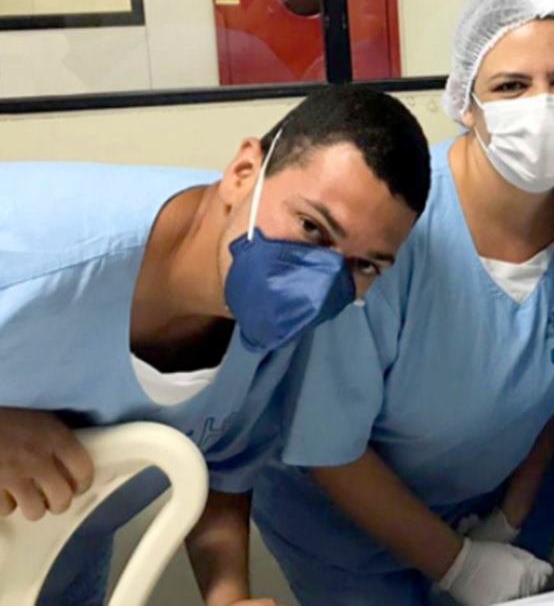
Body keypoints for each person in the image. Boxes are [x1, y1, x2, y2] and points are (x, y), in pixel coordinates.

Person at [251, 0, 554, 606]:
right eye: (511, 86)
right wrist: (458, 565)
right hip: (340, 519)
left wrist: (510, 520)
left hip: (481, 503)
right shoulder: (398, 228)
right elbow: (328, 445)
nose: (544, 106)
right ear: (465, 101)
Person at [0, 86, 431, 606]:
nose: (320, 283)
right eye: (312, 227)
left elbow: (223, 464)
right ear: (243, 172)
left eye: (365, 266)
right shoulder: (33, 249)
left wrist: (226, 595)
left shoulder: (275, 324)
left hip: (52, 568)